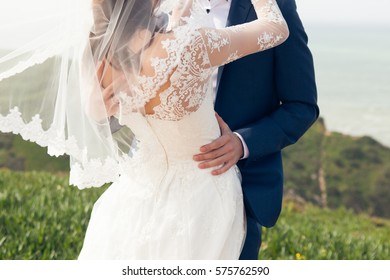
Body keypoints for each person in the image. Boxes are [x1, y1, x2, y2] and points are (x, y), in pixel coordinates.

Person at [0, 0, 288, 259]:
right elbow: (276, 28)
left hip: (136, 198)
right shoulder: (191, 46)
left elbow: (97, 110)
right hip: (203, 196)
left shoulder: (100, 54)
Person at [192, 0, 319, 259]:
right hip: (163, 185)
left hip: (239, 191)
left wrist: (242, 143)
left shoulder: (276, 8)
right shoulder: (157, 7)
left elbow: (302, 105)